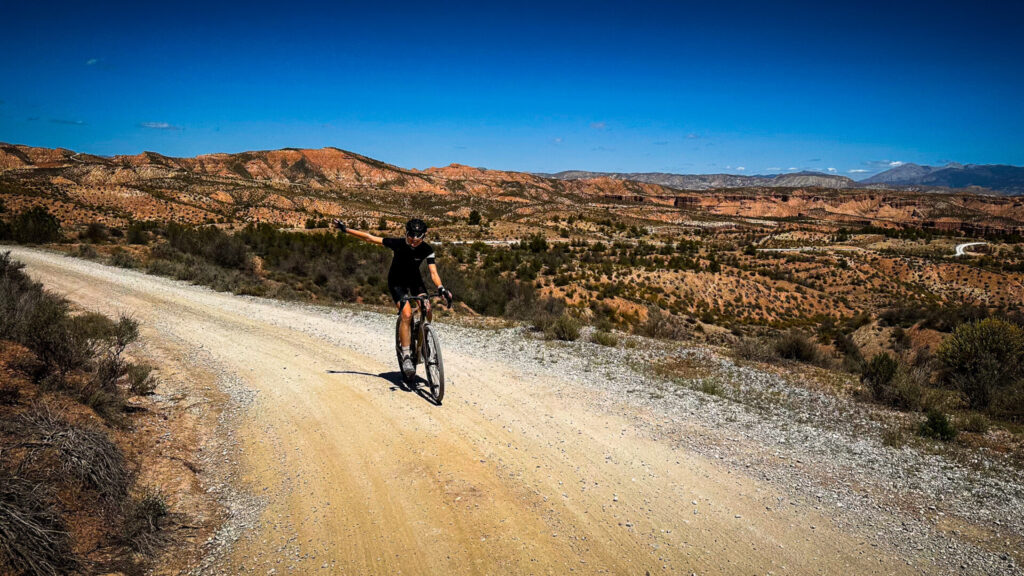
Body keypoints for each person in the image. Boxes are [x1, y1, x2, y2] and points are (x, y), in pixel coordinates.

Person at [332, 218, 453, 377]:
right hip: (397, 282)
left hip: (414, 280)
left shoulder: (427, 249)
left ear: (423, 237)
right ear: (406, 234)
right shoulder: (398, 244)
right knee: (407, 314)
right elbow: (370, 237)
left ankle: (422, 342)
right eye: (411, 237)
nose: (414, 241)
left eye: (418, 238)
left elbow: (433, 273)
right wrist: (345, 229)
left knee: (427, 309)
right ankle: (406, 355)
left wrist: (441, 288)